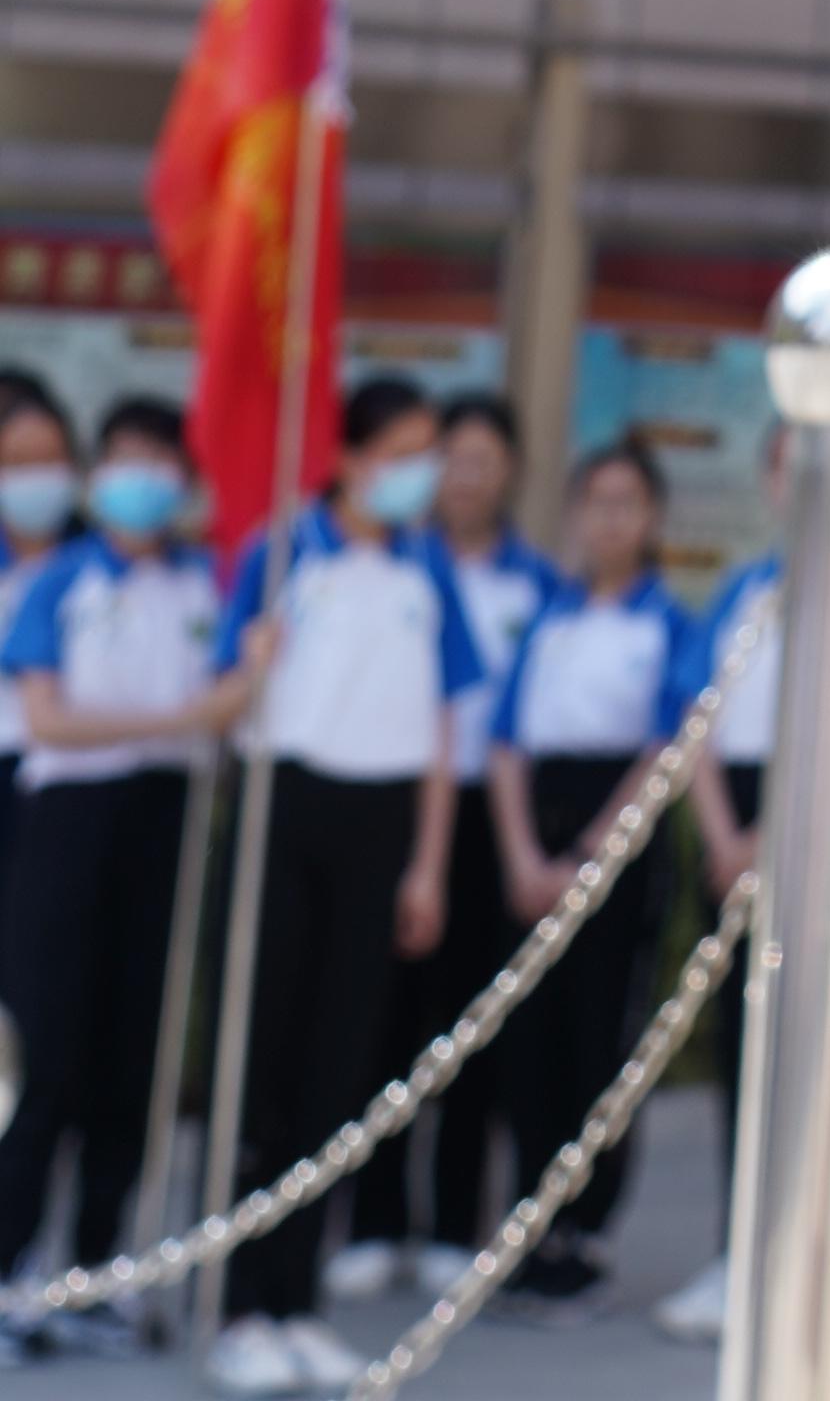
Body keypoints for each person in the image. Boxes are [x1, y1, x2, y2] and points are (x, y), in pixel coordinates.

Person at [207, 376, 485, 1398]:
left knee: (338, 1072)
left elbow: (446, 727)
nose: (423, 471)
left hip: (380, 827)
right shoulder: (283, 553)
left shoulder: (426, 571)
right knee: (267, 1072)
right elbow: (227, 697)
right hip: (288, 812)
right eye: (406, 449)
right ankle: (243, 1305)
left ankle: (300, 1300)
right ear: (354, 457)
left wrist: (425, 862)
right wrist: (250, 662)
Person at [0, 400, 238, 1319]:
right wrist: (177, 723)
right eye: (122, 457)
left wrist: (227, 692)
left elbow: (235, 696)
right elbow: (50, 717)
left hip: (165, 818)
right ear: (98, 478)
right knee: (46, 1049)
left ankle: (96, 1271)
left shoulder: (202, 587)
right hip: (66, 818)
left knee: (133, 1055)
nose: (139, 476)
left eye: (157, 459)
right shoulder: (62, 580)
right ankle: (13, 1263)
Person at [331, 391, 549, 1306]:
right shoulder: (394, 563)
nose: (461, 476)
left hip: (486, 817)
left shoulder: (535, 584)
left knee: (472, 1021)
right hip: (398, 805)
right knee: (381, 1016)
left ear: (508, 473)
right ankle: (375, 1220)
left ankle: (457, 1223)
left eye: (481, 460)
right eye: (448, 457)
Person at [486, 438, 692, 1303]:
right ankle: (527, 1220)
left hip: (618, 844)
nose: (607, 520)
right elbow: (505, 743)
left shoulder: (668, 621)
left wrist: (587, 857)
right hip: (538, 830)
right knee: (529, 1040)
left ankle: (586, 1227)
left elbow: (665, 747)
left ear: (651, 518)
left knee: (598, 1040)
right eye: (593, 502)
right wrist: (526, 856)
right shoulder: (550, 614)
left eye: (625, 503)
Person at [656, 476, 783, 1344]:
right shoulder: (746, 589)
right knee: (741, 1047)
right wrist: (726, 838)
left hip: (810, 829)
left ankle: (793, 1253)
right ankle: (737, 1251)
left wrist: (772, 837)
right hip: (731, 829)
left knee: (804, 1055)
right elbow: (694, 716)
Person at [0, 375, 78, 945]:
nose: (36, 477)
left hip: (68, 781)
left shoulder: (91, 561)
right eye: (19, 462)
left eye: (50, 460)